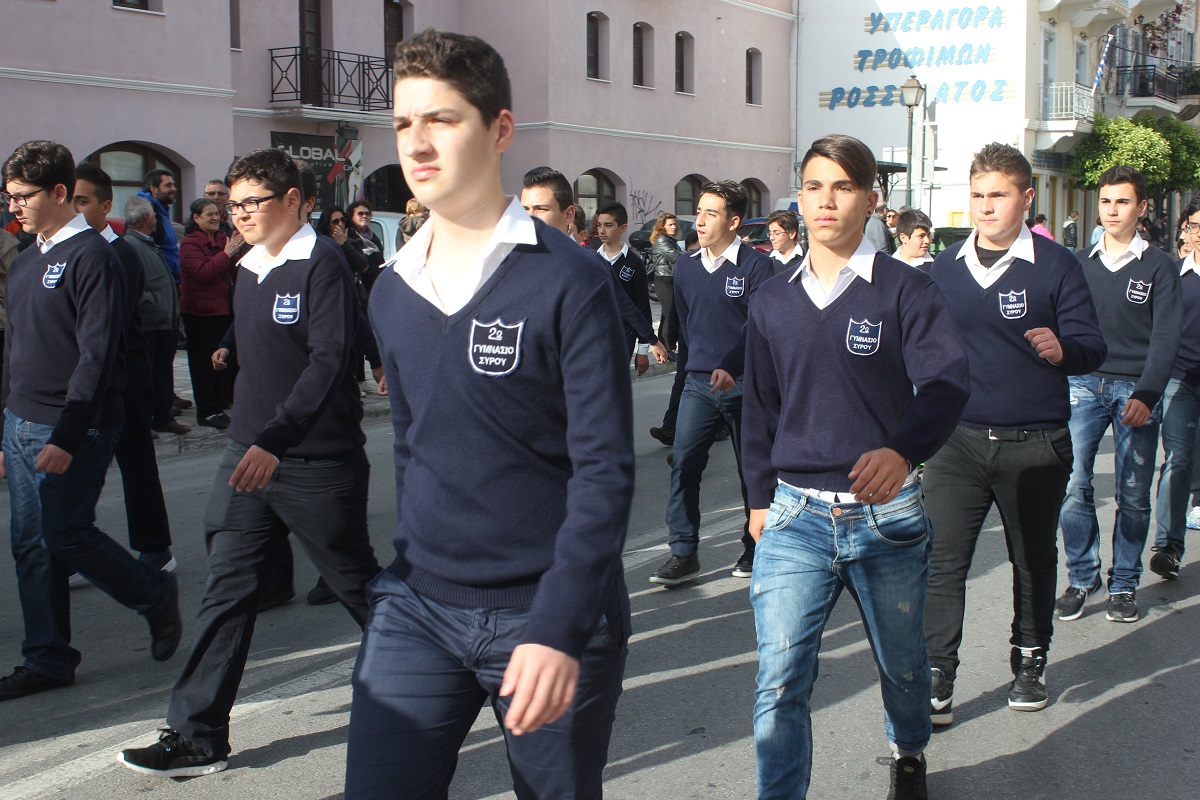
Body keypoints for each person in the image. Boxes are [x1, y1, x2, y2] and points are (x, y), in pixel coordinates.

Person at [344, 30, 633, 799]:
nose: (417, 142)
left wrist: (562, 622)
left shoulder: (570, 280)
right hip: (417, 607)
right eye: (403, 123)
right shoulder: (390, 289)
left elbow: (604, 471)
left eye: (441, 119)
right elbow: (414, 447)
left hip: (545, 608)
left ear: (500, 129)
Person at [118, 147, 381, 778]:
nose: (237, 215)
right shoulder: (248, 265)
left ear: (293, 200)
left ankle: (446, 670)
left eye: (250, 203)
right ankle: (197, 733)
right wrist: (251, 430)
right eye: (232, 204)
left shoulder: (323, 263)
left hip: (314, 460)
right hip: (247, 453)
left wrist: (277, 438)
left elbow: (328, 360)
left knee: (358, 588)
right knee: (227, 589)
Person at [743, 133, 970, 800]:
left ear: (872, 201)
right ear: (799, 197)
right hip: (794, 516)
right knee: (780, 680)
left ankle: (909, 751)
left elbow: (947, 386)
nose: (827, 200)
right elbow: (758, 408)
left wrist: (903, 450)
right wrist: (758, 499)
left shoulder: (906, 291)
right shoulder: (771, 300)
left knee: (903, 668)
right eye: (814, 186)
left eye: (843, 187)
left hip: (885, 518)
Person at [923, 143, 1106, 727]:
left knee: (1031, 558)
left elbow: (1092, 347)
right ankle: (937, 673)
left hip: (1035, 440)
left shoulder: (1056, 265)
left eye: (997, 195)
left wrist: (1063, 349)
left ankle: (1030, 658)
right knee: (943, 560)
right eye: (977, 195)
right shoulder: (945, 267)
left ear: (1026, 199)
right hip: (957, 442)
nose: (985, 206)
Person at [0, 140, 181, 702]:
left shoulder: (95, 258)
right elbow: (15, 351)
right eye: (9, 197)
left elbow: (97, 356)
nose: (14, 207)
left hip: (74, 425)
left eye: (23, 196)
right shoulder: (26, 260)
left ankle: (152, 592)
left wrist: (69, 432)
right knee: (31, 545)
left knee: (64, 532)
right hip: (20, 422)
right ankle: (48, 657)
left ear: (59, 192)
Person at [1058, 165, 1182, 624]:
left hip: (1136, 390)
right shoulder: (1077, 263)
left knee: (1133, 493)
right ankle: (1081, 576)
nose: (1112, 210)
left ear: (1141, 208)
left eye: (1123, 201)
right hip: (1082, 385)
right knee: (1074, 485)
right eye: (1106, 201)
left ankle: (1124, 583)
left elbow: (1166, 337)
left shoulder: (1160, 267)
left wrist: (1147, 395)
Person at [651, 180, 773, 586]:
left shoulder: (756, 266)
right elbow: (687, 324)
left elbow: (758, 328)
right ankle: (683, 551)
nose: (699, 221)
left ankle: (755, 546)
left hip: (745, 385)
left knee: (751, 471)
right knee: (684, 465)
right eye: (699, 211)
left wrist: (733, 367)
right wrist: (690, 369)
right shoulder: (685, 265)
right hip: (698, 384)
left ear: (734, 222)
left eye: (711, 213)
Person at [71, 163, 177, 577]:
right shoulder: (64, 251)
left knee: (136, 463)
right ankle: (70, 546)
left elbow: (106, 323)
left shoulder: (121, 253)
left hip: (124, 375)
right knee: (76, 469)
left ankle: (155, 548)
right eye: (70, 200)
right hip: (80, 377)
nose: (75, 209)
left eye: (83, 201)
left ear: (105, 205)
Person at [1150, 195, 1200, 581]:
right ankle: (1168, 546)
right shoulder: (1174, 274)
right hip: (1181, 380)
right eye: (1195, 226)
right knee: (1178, 459)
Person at [178, 197, 241, 429]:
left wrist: (235, 253)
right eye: (209, 214)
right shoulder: (190, 244)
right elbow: (203, 272)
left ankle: (219, 405)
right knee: (203, 364)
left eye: (217, 213)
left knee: (224, 359)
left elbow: (233, 267)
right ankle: (206, 410)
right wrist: (227, 254)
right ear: (196, 218)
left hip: (225, 309)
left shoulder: (223, 238)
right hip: (200, 313)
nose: (215, 218)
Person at [123, 197, 183, 436]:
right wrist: (156, 306)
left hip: (162, 322)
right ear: (147, 217)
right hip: (150, 323)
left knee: (162, 373)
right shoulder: (132, 245)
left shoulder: (147, 244)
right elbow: (136, 290)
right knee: (146, 376)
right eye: (155, 216)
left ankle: (162, 415)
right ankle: (146, 419)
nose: (157, 220)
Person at [596, 200, 657, 374]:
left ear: (622, 227)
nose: (602, 230)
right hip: (594, 335)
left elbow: (642, 306)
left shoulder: (634, 263)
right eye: (599, 225)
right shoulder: (591, 257)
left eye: (608, 225)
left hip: (623, 337)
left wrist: (643, 349)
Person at [138, 169, 180, 284]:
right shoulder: (148, 214)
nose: (174, 189)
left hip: (170, 280)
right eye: (168, 185)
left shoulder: (161, 211)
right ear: (154, 189)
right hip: (160, 283)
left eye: (173, 184)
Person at [647, 211, 682, 346]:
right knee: (670, 314)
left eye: (674, 224)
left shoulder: (670, 239)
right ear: (662, 226)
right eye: (670, 225)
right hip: (663, 279)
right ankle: (668, 347)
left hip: (670, 278)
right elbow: (676, 257)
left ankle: (664, 345)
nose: (673, 227)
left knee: (666, 315)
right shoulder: (662, 240)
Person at [765, 209, 803, 277]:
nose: (771, 238)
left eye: (777, 233)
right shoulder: (764, 260)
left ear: (791, 234)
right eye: (770, 233)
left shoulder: (807, 260)